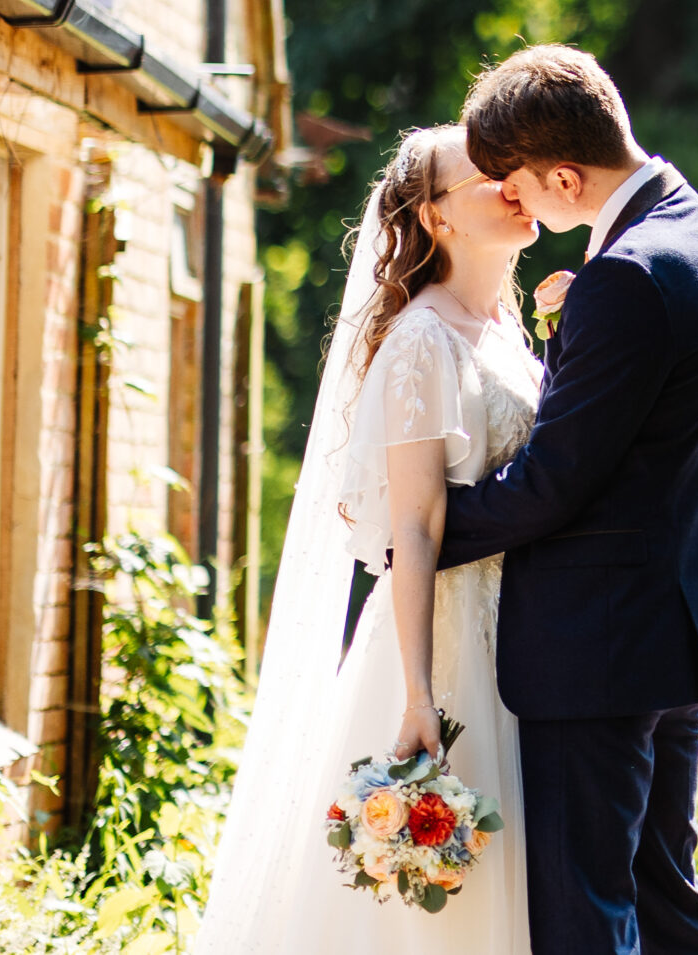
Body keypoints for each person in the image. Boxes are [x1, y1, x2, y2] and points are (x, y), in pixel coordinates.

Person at [438, 44, 698, 955]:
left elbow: (554, 482)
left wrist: (418, 533)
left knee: (584, 914)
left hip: (602, 640)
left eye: (524, 189)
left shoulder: (627, 275)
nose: (519, 208)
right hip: (674, 629)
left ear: (565, 175)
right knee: (667, 899)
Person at [199, 125, 544, 952]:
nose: (513, 183)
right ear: (435, 217)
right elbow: (415, 527)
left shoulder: (501, 325)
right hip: (452, 637)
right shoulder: (422, 340)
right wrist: (422, 694)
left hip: (527, 627)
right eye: (488, 176)